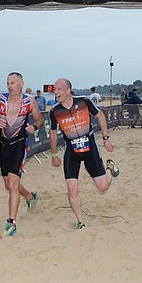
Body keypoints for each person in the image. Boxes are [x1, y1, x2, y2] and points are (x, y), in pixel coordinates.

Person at [49, 78, 117, 230]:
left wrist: (106, 139)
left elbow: (99, 115)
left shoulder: (84, 102)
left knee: (103, 187)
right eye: (55, 89)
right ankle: (80, 221)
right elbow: (52, 133)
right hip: (71, 152)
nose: (56, 92)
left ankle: (109, 169)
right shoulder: (55, 111)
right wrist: (54, 155)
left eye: (59, 89)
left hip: (90, 149)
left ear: (68, 90)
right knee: (72, 189)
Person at [0, 72, 44, 237]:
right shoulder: (0, 99)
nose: (9, 86)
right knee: (9, 185)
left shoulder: (29, 101)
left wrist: (35, 127)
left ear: (21, 84)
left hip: (20, 145)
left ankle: (11, 223)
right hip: (4, 146)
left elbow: (39, 120)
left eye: (12, 83)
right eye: (7, 83)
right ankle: (30, 196)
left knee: (12, 184)